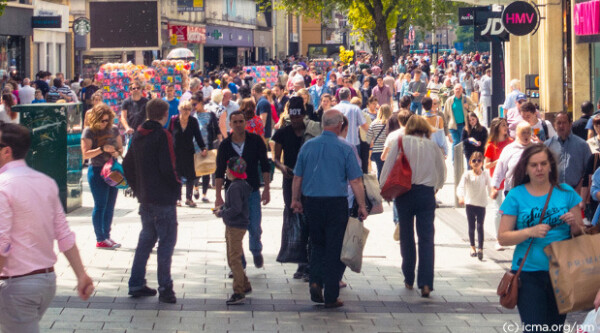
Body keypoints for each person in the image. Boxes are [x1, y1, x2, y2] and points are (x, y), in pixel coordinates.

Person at [0, 123, 94, 332]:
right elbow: (63, 234)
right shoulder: (45, 182)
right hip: (46, 282)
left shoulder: (3, 186)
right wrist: (81, 274)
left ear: (6, 151)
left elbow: (1, 243)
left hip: (16, 285)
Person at [497, 144, 583, 332]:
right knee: (535, 329)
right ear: (526, 168)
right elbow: (503, 238)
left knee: (555, 329)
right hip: (529, 273)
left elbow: (581, 233)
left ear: (551, 166)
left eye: (543, 163)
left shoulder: (566, 192)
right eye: (534, 165)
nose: (539, 169)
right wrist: (530, 232)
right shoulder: (516, 195)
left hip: (563, 273)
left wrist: (574, 224)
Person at [291, 109, 367, 308]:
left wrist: (295, 199)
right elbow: (356, 180)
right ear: (340, 125)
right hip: (336, 203)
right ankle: (331, 294)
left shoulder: (308, 146)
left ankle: (315, 281)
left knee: (316, 244)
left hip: (312, 202)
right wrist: (361, 205)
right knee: (334, 247)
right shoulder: (347, 148)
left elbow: (298, 176)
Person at [379, 116, 446, 298]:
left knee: (406, 235)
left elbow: (388, 166)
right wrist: (436, 187)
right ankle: (426, 283)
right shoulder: (432, 146)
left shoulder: (401, 141)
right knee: (426, 238)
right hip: (425, 194)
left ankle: (409, 276)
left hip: (404, 193)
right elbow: (442, 172)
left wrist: (383, 188)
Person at [123, 98, 181, 304]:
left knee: (146, 240)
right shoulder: (162, 135)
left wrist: (138, 188)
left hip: (146, 197)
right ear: (165, 115)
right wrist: (177, 186)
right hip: (163, 198)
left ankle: (136, 282)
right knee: (166, 242)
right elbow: (169, 166)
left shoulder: (138, 134)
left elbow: (127, 163)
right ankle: (165, 287)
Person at [272, 96, 322, 280]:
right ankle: (301, 261)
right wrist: (281, 167)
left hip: (309, 181)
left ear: (303, 115)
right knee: (296, 218)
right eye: (292, 118)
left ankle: (309, 263)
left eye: (298, 117)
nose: (295, 122)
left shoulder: (313, 131)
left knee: (309, 218)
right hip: (290, 179)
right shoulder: (282, 133)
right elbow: (275, 157)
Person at [215, 111, 270, 270]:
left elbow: (265, 166)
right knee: (234, 227)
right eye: (235, 122)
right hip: (232, 192)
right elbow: (219, 171)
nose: (238, 124)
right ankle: (239, 263)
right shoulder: (225, 145)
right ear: (230, 124)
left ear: (245, 123)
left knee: (254, 225)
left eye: (241, 121)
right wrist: (218, 196)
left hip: (252, 190)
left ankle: (256, 249)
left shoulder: (255, 141)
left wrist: (266, 189)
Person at [81, 103, 123, 249]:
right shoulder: (89, 131)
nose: (104, 123)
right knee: (100, 204)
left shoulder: (114, 129)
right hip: (97, 170)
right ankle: (100, 238)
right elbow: (85, 154)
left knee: (110, 205)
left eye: (107, 120)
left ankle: (107, 235)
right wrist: (102, 149)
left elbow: (120, 148)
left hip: (113, 170)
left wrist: (116, 152)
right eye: (102, 120)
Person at [214, 156, 253, 305]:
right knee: (233, 257)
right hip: (236, 225)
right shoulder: (242, 185)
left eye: (227, 169)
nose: (225, 172)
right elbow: (236, 205)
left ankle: (239, 291)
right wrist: (223, 208)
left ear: (231, 171)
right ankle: (245, 284)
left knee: (234, 259)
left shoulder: (235, 187)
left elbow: (236, 208)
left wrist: (222, 213)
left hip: (235, 226)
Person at [169, 100, 207, 207]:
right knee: (177, 176)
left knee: (190, 176)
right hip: (176, 152)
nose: (186, 111)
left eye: (189, 109)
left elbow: (198, 136)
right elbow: (168, 134)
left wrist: (203, 147)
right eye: (184, 109)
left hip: (189, 152)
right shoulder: (174, 120)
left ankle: (189, 199)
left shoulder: (193, 121)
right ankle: (177, 199)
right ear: (180, 109)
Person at [484, 118, 513, 250]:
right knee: (498, 209)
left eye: (506, 125)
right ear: (497, 128)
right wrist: (499, 161)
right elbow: (486, 164)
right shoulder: (491, 145)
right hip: (496, 181)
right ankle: (498, 238)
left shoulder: (511, 143)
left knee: (510, 210)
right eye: (503, 125)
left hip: (510, 180)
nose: (506, 127)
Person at [545, 112, 591, 193]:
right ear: (554, 125)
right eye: (559, 123)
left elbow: (588, 172)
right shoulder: (547, 146)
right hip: (553, 193)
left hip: (576, 193)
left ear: (570, 124)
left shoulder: (582, 145)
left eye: (564, 123)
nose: (561, 126)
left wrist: (578, 190)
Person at [457, 152, 491, 260]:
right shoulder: (467, 174)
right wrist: (460, 197)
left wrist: (492, 193)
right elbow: (460, 187)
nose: (476, 163)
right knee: (471, 226)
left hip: (481, 203)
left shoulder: (485, 175)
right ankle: (472, 247)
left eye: (479, 161)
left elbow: (490, 187)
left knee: (480, 226)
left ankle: (480, 248)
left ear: (482, 163)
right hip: (470, 203)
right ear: (470, 163)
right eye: (474, 161)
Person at [491, 121, 533, 198]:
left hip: (532, 192)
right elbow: (500, 169)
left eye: (528, 133)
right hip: (512, 190)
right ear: (517, 134)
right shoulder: (509, 149)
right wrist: (494, 187)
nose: (526, 135)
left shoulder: (536, 148)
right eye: (523, 133)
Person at [192, 92, 221, 203]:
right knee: (196, 170)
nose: (193, 107)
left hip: (207, 145)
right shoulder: (192, 115)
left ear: (200, 103)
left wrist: (220, 141)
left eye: (195, 104)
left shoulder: (210, 114)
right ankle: (195, 187)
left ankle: (204, 194)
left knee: (206, 170)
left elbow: (217, 129)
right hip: (194, 146)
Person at [444, 84, 477, 154]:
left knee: (462, 143)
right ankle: (454, 162)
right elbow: (445, 115)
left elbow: (474, 107)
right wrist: (445, 129)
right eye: (456, 89)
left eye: (459, 89)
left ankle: (460, 160)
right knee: (456, 142)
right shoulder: (449, 100)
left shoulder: (466, 99)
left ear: (462, 90)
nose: (458, 90)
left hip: (463, 125)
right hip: (453, 126)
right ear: (453, 90)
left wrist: (468, 107)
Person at [335, 88, 369, 153]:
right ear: (349, 96)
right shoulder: (355, 109)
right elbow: (364, 125)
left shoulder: (334, 109)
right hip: (352, 144)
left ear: (339, 97)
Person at [366, 103, 391, 180]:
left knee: (380, 170)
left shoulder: (374, 123)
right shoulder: (391, 123)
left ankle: (380, 188)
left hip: (376, 151)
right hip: (388, 150)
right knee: (389, 171)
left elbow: (368, 138)